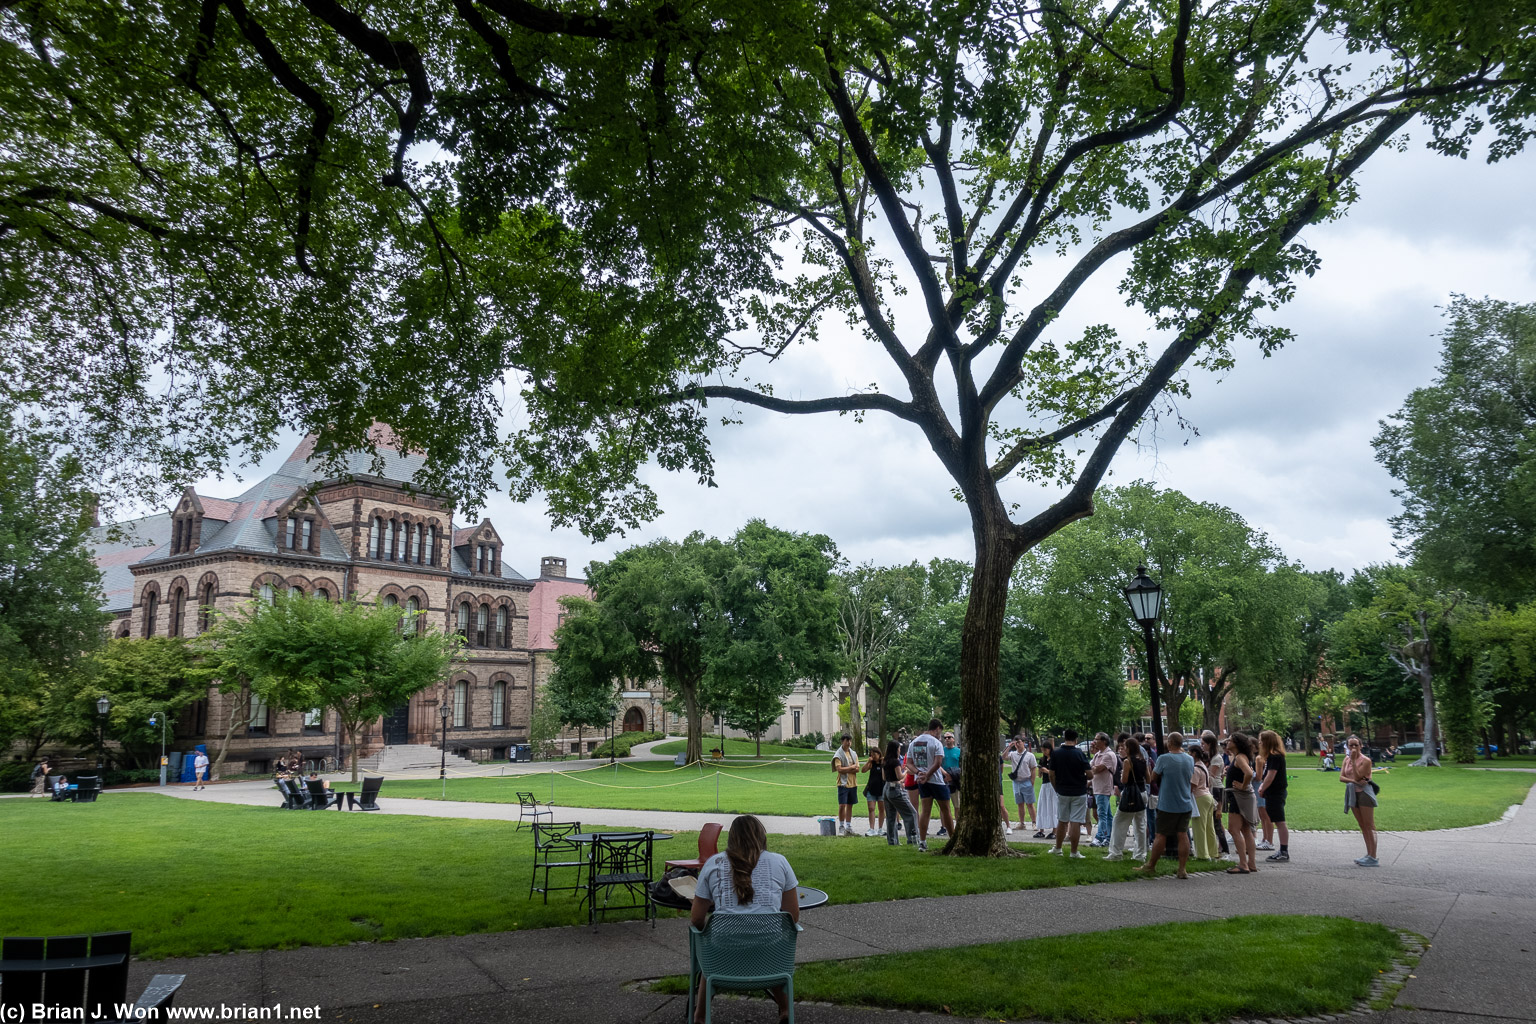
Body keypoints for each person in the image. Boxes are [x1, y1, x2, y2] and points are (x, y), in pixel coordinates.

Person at [690, 814, 800, 1024]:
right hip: (771, 954)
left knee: (707, 957)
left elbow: (696, 919)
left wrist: (709, 928)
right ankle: (785, 1009)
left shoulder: (714, 863)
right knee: (763, 944)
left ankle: (700, 1016)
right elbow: (792, 916)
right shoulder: (780, 862)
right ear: (762, 837)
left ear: (731, 838)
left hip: (721, 958)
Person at [1139, 731, 1195, 879]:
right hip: (1185, 803)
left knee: (1160, 834)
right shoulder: (1189, 759)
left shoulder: (1164, 759)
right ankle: (1182, 869)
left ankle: (1151, 865)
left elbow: (1153, 778)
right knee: (1183, 834)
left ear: (1169, 743)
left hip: (1167, 804)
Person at [907, 719, 953, 851]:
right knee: (946, 810)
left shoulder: (914, 742)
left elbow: (909, 763)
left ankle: (922, 842)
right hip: (936, 781)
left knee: (925, 811)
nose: (941, 735)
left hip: (921, 781)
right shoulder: (936, 742)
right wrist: (927, 774)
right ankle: (952, 839)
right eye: (940, 731)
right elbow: (938, 763)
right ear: (937, 728)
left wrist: (919, 773)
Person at [1105, 735, 1149, 862]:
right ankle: (1140, 854)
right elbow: (1149, 779)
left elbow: (1124, 780)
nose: (1123, 748)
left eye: (1124, 747)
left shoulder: (1127, 761)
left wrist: (1122, 773)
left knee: (1119, 822)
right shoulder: (1143, 760)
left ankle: (1115, 853)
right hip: (1142, 793)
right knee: (1140, 825)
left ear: (1129, 748)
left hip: (1130, 794)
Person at [1049, 729, 1091, 858]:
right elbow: (1090, 774)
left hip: (1062, 791)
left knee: (1062, 820)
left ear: (1064, 738)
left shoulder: (1056, 753)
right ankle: (1074, 851)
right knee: (1075, 822)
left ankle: (1058, 848)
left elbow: (1051, 774)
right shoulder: (1080, 754)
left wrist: (1056, 787)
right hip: (1078, 791)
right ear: (1076, 740)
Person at [1223, 733, 1259, 874]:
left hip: (1238, 797)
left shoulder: (1239, 757)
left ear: (1237, 743)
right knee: (1246, 830)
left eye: (1230, 740)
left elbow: (1249, 773)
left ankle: (1243, 864)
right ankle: (1251, 864)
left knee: (1233, 830)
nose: (1227, 742)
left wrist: (1243, 786)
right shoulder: (1241, 756)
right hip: (1244, 797)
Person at [1341, 735, 1379, 866]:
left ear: (1361, 746)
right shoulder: (1345, 759)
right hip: (1352, 793)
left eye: (1356, 745)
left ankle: (1373, 856)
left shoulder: (1366, 760)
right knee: (1362, 825)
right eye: (1350, 745)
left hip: (1364, 794)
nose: (1353, 747)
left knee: (1369, 825)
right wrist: (1352, 780)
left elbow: (1358, 777)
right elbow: (1342, 777)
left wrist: (1352, 761)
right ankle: (1368, 854)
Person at [1258, 729, 1291, 863]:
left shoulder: (1274, 757)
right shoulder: (1273, 757)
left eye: (1261, 741)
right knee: (1278, 821)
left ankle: (1284, 851)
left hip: (1276, 793)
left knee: (1280, 821)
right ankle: (1283, 850)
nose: (1259, 743)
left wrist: (1262, 787)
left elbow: (1271, 776)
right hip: (1273, 793)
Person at [882, 740, 919, 846]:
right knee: (911, 813)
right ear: (895, 749)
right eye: (899, 748)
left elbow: (884, 777)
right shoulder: (895, 762)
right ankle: (912, 839)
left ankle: (892, 841)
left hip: (886, 789)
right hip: (896, 790)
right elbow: (899, 776)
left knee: (890, 817)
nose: (900, 749)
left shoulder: (885, 761)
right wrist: (906, 771)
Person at [1202, 731, 1230, 856]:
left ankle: (1224, 848)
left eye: (1203, 744)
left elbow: (1211, 775)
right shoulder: (1210, 756)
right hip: (1211, 788)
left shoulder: (1216, 758)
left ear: (1209, 744)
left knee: (1217, 821)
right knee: (1214, 822)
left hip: (1216, 789)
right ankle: (1217, 845)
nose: (1202, 746)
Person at [1190, 746, 1219, 860]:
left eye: (1190, 752)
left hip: (1199, 797)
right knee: (1209, 827)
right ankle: (1213, 852)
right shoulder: (1203, 766)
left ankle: (1202, 855)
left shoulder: (1196, 768)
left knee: (1199, 828)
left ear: (1194, 754)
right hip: (1208, 797)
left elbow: (1192, 786)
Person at [1089, 733, 1116, 847]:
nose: (1094, 741)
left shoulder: (1108, 755)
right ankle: (1108, 837)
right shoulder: (1098, 754)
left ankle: (1100, 837)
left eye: (1097, 739)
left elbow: (1096, 769)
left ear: (1104, 741)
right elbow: (1090, 766)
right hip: (1098, 787)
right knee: (1108, 814)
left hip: (1103, 788)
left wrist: (1093, 767)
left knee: (1102, 814)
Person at [1005, 736, 1037, 832]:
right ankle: (1022, 823)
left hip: (1026, 781)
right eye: (1016, 743)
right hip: (1016, 782)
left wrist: (1032, 781)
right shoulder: (1012, 754)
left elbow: (1033, 768)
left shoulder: (1030, 755)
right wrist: (1009, 747)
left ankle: (1034, 823)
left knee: (1030, 804)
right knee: (1020, 804)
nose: (1017, 744)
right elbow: (1003, 757)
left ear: (1023, 743)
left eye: (1019, 742)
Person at [831, 734, 860, 836]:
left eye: (850, 741)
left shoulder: (853, 753)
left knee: (850, 805)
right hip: (843, 784)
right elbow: (839, 769)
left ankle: (848, 826)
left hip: (853, 783)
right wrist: (851, 767)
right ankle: (841, 826)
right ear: (842, 741)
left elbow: (857, 769)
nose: (849, 743)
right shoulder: (838, 754)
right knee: (842, 805)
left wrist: (848, 768)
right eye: (847, 740)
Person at [1034, 736, 1057, 838]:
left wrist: (1047, 771)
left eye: (1045, 750)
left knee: (1053, 806)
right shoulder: (1042, 759)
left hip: (1052, 784)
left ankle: (1055, 830)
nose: (1044, 752)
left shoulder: (1054, 759)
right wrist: (1040, 770)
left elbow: (1056, 773)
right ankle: (1041, 829)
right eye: (1043, 750)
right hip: (1044, 784)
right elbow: (1039, 776)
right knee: (1042, 805)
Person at [861, 747, 886, 836]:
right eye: (872, 754)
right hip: (871, 789)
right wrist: (868, 761)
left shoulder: (883, 763)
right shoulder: (871, 764)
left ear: (879, 754)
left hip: (882, 789)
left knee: (881, 809)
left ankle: (880, 828)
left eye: (874, 754)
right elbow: (863, 770)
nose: (873, 756)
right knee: (871, 808)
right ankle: (871, 828)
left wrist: (883, 764)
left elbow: (885, 776)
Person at [940, 731, 962, 823]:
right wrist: (945, 774)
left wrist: (954, 776)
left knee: (957, 805)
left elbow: (961, 765)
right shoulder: (941, 751)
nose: (947, 739)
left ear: (953, 739)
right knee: (944, 805)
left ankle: (958, 824)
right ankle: (943, 827)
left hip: (955, 780)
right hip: (944, 779)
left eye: (949, 737)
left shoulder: (958, 751)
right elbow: (938, 764)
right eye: (945, 738)